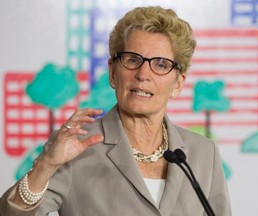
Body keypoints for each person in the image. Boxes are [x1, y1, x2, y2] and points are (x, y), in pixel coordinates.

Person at [0, 6, 231, 215]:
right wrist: (46, 166)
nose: (143, 74)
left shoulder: (203, 154)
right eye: (132, 60)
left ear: (178, 83)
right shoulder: (76, 147)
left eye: (160, 64)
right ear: (112, 73)